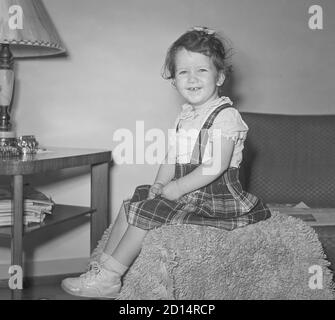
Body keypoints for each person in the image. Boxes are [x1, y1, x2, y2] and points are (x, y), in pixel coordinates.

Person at [61, 26, 271, 299]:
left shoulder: (226, 116)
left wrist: (179, 187)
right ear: (174, 80)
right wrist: (160, 182)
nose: (192, 78)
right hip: (188, 189)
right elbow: (172, 157)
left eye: (202, 71)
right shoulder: (185, 117)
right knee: (133, 204)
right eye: (183, 72)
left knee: (148, 214)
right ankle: (101, 268)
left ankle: (110, 278)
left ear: (219, 76)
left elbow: (215, 166)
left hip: (214, 196)